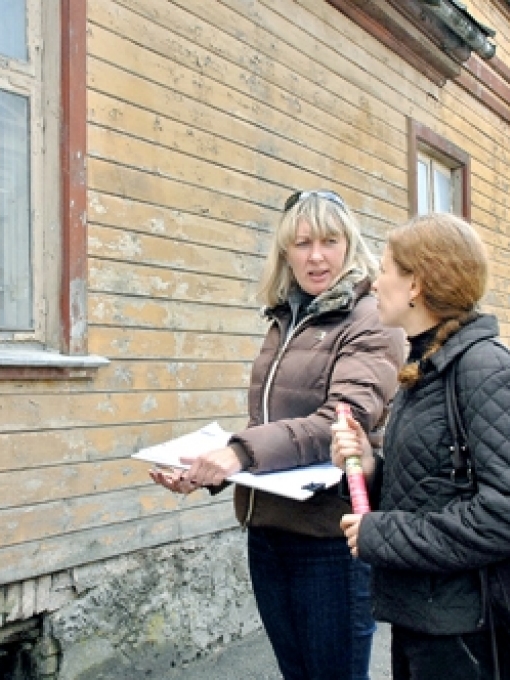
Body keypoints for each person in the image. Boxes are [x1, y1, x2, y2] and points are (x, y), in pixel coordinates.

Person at [150, 190, 404, 680]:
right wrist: (209, 470)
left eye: (329, 241)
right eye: (302, 242)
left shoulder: (370, 318)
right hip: (269, 533)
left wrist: (239, 455)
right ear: (285, 252)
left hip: (331, 539)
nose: (316, 256)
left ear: (350, 245)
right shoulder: (288, 318)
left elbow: (341, 421)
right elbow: (269, 424)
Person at [332, 212, 510, 680]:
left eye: (387, 269)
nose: (375, 282)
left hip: (469, 633)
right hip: (428, 617)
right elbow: (437, 481)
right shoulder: (432, 367)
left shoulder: (485, 371)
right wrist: (371, 469)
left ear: (416, 284)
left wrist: (383, 535)